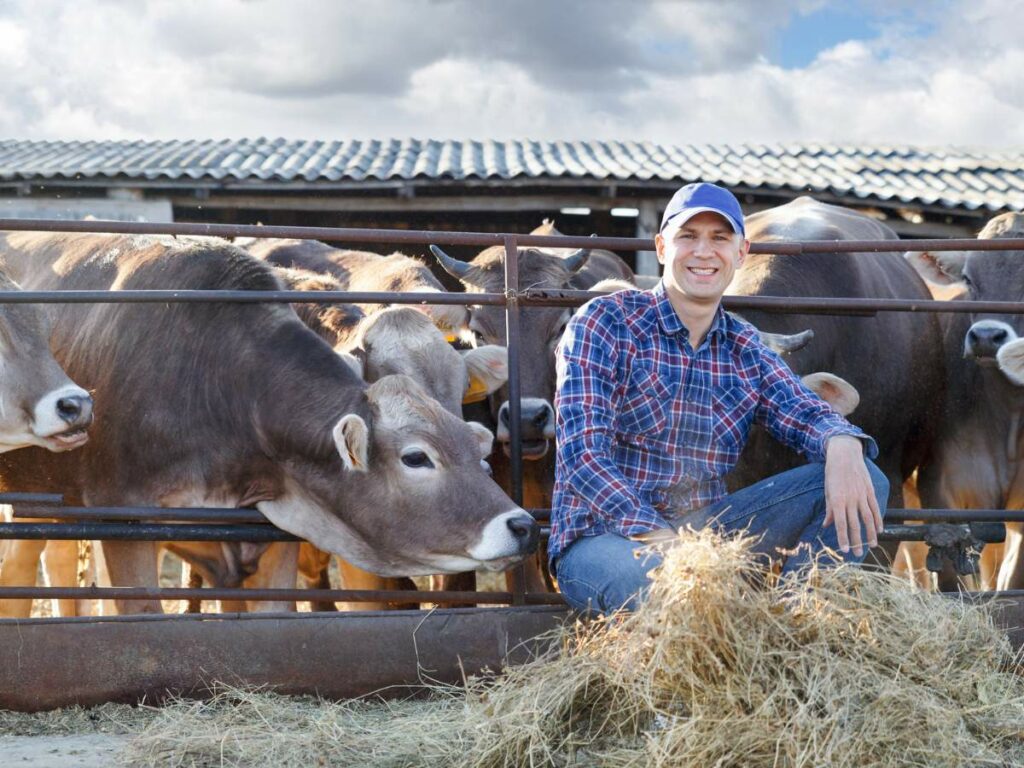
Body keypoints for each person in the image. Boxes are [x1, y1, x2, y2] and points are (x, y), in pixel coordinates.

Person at [550, 182, 889, 616]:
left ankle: (793, 628)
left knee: (868, 478)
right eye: (688, 236)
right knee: (659, 587)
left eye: (720, 238)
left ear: (741, 253)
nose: (704, 252)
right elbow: (584, 457)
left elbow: (804, 411)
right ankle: (709, 613)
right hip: (604, 541)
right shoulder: (604, 321)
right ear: (661, 246)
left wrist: (841, 442)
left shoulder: (745, 346)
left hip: (702, 537)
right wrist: (667, 548)